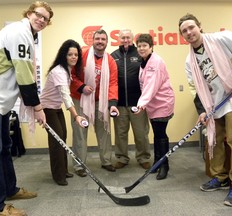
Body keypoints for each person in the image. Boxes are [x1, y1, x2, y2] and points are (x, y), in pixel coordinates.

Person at [0, 1, 53, 215]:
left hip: (1, 101)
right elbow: (24, 74)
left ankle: (10, 189)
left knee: (5, 146)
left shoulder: (27, 34)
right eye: (39, 15)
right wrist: (37, 107)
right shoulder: (19, 32)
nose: (41, 20)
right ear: (29, 13)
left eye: (46, 18)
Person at [178, 13, 232, 207]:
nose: (189, 32)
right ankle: (220, 177)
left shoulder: (222, 38)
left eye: (191, 27)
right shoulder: (189, 61)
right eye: (184, 31)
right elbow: (194, 87)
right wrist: (202, 111)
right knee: (216, 141)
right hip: (214, 104)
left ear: (199, 26)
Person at [70, 29, 119, 176]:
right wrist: (81, 86)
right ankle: (79, 165)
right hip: (80, 99)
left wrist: (112, 104)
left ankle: (106, 161)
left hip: (100, 101)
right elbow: (71, 74)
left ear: (107, 42)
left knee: (104, 131)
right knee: (80, 132)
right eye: (97, 39)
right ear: (92, 40)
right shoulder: (82, 54)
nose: (100, 42)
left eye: (103, 39)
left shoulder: (110, 61)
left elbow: (113, 83)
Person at [40, 39, 87, 186]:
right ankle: (58, 175)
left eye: (76, 55)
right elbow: (66, 96)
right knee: (57, 141)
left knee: (62, 137)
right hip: (47, 109)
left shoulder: (67, 70)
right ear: (63, 56)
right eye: (70, 54)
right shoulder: (59, 71)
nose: (74, 57)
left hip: (56, 108)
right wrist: (76, 115)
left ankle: (63, 169)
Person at [134, 34, 175, 180]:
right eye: (139, 46)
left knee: (160, 134)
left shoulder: (155, 62)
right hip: (153, 104)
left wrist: (141, 103)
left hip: (162, 103)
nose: (141, 48)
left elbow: (151, 86)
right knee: (157, 133)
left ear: (151, 47)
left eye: (145, 45)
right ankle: (157, 163)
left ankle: (164, 166)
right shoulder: (144, 61)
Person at [110, 29, 151, 170]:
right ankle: (122, 158)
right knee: (120, 134)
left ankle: (143, 157)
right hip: (119, 104)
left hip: (138, 103)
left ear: (132, 39)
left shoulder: (139, 54)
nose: (125, 40)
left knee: (141, 133)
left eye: (128, 37)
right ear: (119, 39)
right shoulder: (113, 56)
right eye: (123, 38)